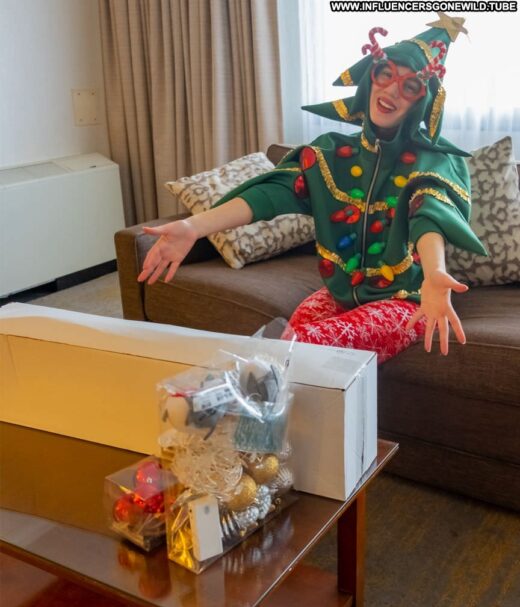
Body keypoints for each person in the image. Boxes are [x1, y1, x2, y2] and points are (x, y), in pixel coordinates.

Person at [138, 15, 487, 362]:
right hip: (340, 295)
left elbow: (429, 214)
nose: (393, 90)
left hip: (407, 303)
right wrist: (193, 226)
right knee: (285, 350)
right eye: (386, 74)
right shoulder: (331, 153)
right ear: (371, 77)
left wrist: (435, 272)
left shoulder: (429, 160)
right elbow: (270, 193)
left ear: (421, 102)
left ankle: (220, 390)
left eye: (410, 87)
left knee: (293, 350)